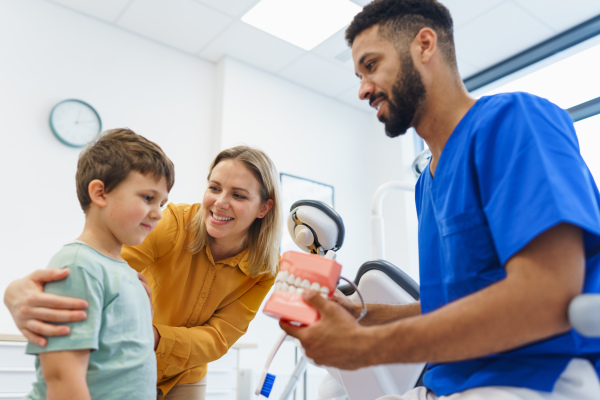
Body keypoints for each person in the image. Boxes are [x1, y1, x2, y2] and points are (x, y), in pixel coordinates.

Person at [280, 1, 600, 399]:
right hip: (449, 382)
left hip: (530, 378)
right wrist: (363, 316)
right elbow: (454, 304)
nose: (362, 88)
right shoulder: (426, 184)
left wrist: (364, 348)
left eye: (372, 65)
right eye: (359, 74)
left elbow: (548, 296)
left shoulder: (513, 122)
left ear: (424, 45)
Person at [5, 145, 282, 399]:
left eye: (238, 195)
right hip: (125, 358)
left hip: (182, 370)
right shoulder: (172, 225)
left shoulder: (265, 268)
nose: (221, 202)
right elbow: (103, 268)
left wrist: (151, 336)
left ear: (263, 208)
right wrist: (14, 291)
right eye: (214, 187)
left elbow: (220, 338)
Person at [24, 128, 175, 400]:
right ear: (100, 193)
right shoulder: (78, 265)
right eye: (148, 198)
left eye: (162, 203)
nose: (158, 214)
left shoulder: (128, 274)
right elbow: (62, 377)